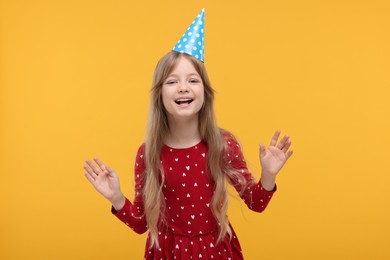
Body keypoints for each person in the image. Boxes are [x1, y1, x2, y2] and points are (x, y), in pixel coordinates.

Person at [83, 9, 293, 260]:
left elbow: (256, 204)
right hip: (167, 253)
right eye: (172, 82)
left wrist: (268, 175)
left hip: (216, 251)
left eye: (193, 80)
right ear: (160, 96)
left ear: (205, 92)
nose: (183, 87)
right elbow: (141, 224)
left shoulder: (223, 144)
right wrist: (116, 197)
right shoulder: (148, 153)